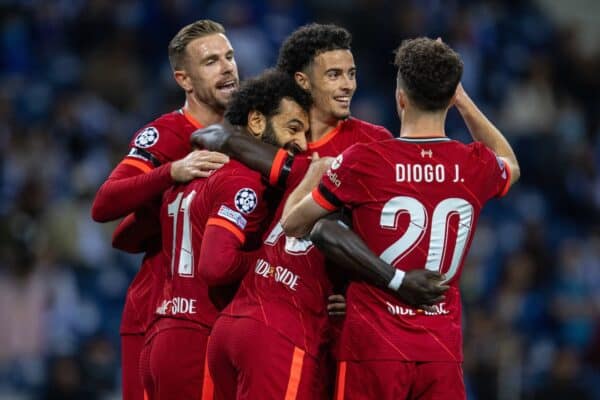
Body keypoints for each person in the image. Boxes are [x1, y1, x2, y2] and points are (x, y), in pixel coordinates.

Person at [198, 24, 447, 400]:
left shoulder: (374, 143)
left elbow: (392, 232)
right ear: (303, 81)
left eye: (351, 74)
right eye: (334, 75)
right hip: (273, 324)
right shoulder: (274, 133)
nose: (347, 85)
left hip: (332, 332)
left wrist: (361, 292)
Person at [281, 37, 521, 399]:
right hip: (440, 349)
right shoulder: (476, 164)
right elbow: (511, 164)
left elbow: (295, 225)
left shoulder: (365, 160)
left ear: (400, 98)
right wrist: (463, 101)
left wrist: (314, 177)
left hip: (373, 347)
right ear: (449, 97)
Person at [139, 69, 311, 400]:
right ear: (257, 122)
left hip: (161, 332)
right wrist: (269, 259)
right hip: (197, 340)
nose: (301, 143)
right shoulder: (242, 179)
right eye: (293, 128)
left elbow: (125, 236)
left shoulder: (193, 169)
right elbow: (216, 266)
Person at [90, 20, 236, 400]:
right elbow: (105, 203)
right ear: (184, 80)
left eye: (229, 56)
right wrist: (172, 171)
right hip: (156, 313)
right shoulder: (169, 132)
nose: (227, 67)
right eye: (211, 61)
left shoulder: (249, 138)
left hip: (218, 315)